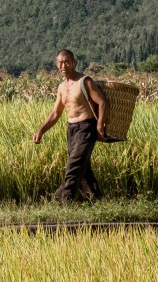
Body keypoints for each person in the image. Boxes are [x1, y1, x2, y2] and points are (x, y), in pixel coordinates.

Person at [32, 49, 107, 201]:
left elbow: (102, 102)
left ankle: (61, 200)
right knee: (84, 171)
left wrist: (99, 126)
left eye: (67, 62)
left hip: (86, 127)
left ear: (73, 62)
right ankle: (97, 201)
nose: (63, 65)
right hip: (72, 130)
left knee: (73, 167)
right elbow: (55, 113)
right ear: (56, 64)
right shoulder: (61, 87)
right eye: (60, 62)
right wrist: (41, 131)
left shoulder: (85, 81)